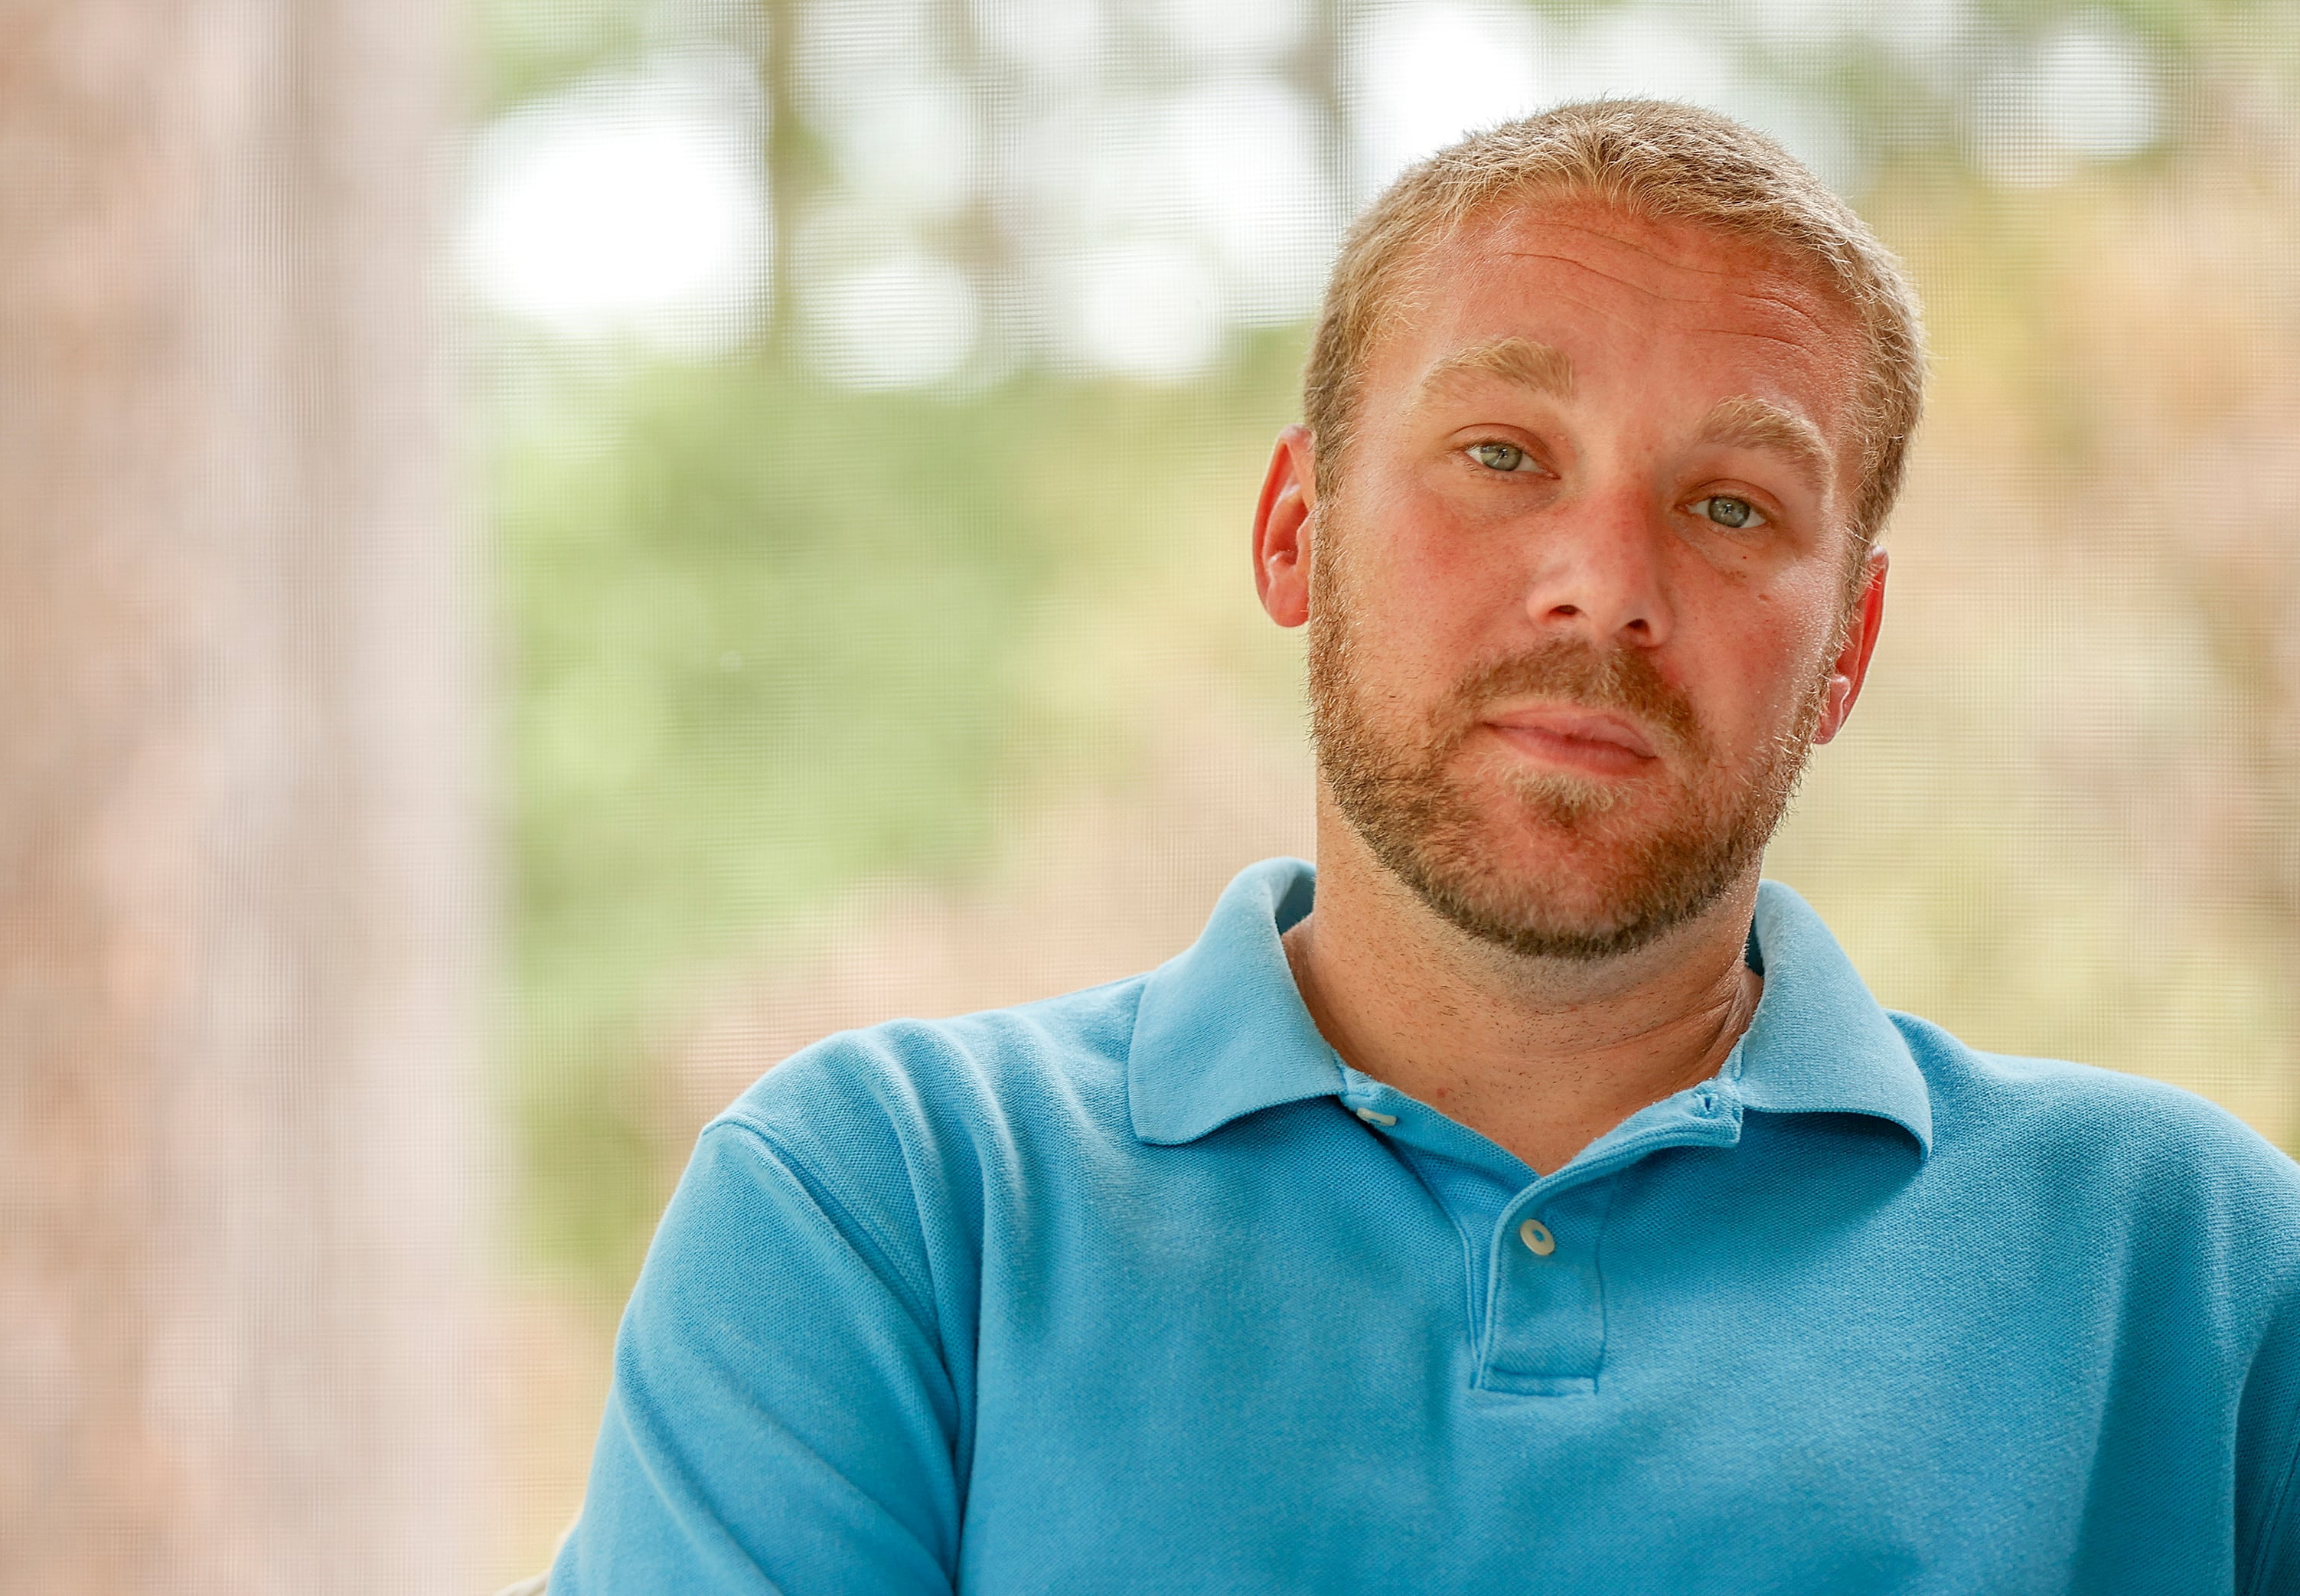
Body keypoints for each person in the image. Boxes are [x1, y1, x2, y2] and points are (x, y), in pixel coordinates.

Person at [545, 100, 2300, 1594]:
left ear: (1844, 642)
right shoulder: (886, 1208)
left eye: (1728, 506)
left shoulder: (2196, 1271)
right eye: (1499, 452)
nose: (1602, 584)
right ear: (1297, 530)